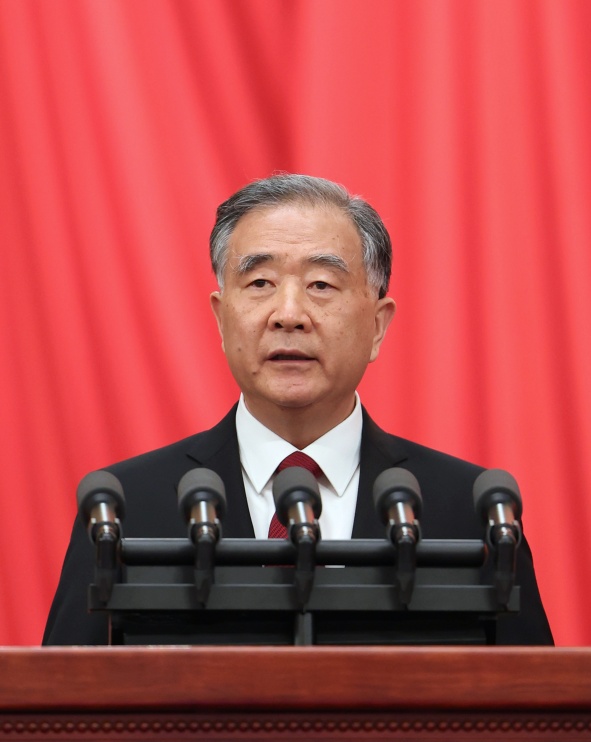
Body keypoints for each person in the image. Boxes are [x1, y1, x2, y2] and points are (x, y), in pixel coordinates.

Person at [43, 174, 553, 645]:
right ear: (221, 319)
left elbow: (538, 706)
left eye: (321, 285)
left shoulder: (468, 511)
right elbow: (59, 704)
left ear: (378, 325)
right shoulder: (125, 510)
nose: (289, 315)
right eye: (260, 283)